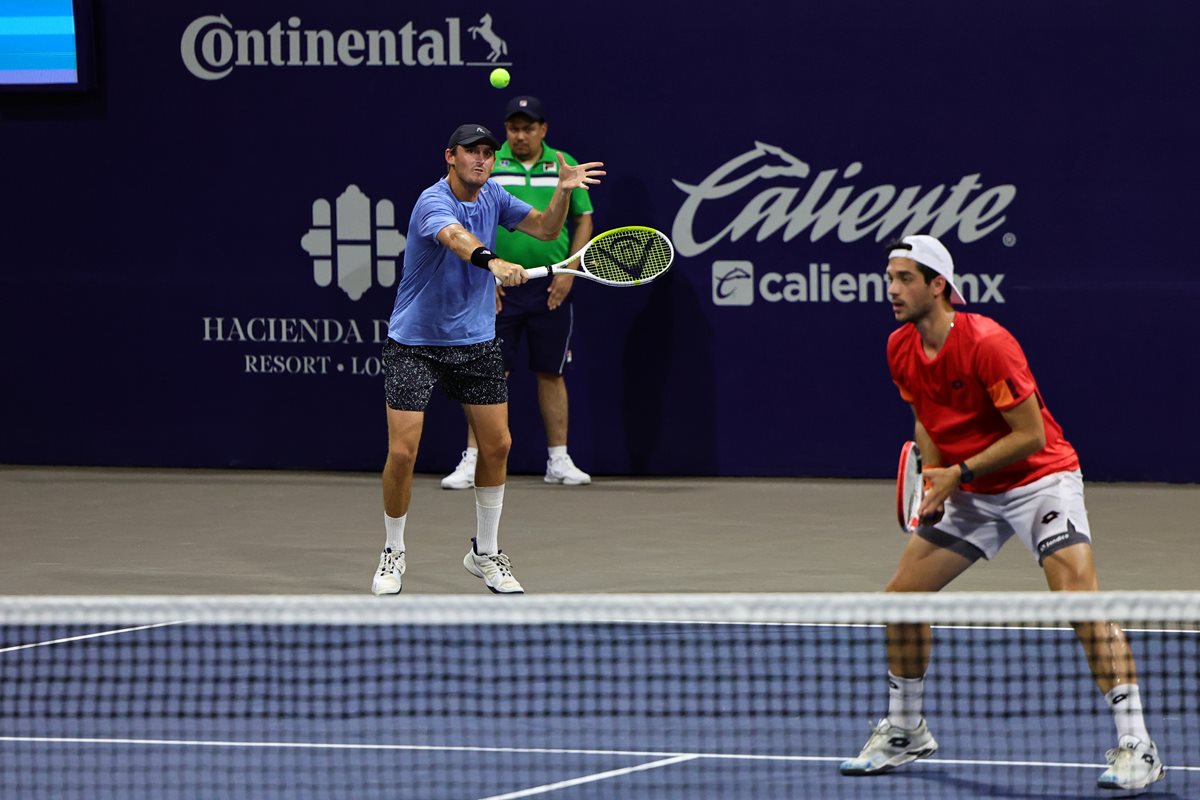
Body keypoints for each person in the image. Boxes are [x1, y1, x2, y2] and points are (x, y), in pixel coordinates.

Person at [839, 235, 1165, 793]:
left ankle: (1139, 745)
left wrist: (958, 474)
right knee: (900, 600)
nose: (891, 289)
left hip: (1039, 481)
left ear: (938, 285)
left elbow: (1030, 434)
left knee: (1080, 602)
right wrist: (936, 479)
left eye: (905, 279)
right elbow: (926, 418)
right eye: (889, 278)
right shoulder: (899, 347)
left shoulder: (988, 343)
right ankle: (906, 729)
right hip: (968, 489)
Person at [371, 123, 603, 596]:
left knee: (497, 446)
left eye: (487, 152)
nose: (481, 159)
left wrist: (562, 193)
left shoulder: (494, 194)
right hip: (415, 342)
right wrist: (494, 262)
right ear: (450, 157)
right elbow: (456, 239)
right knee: (403, 451)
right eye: (471, 151)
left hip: (475, 341)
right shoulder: (432, 201)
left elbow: (547, 229)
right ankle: (392, 550)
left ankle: (485, 552)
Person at [441, 95, 594, 490]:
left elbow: (568, 222)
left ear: (543, 130)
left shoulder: (562, 164)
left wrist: (571, 270)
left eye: (528, 128)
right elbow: (465, 227)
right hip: (497, 286)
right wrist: (486, 274)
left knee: (552, 372)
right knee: (487, 374)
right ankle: (472, 458)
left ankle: (558, 459)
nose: (520, 135)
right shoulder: (487, 165)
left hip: (551, 284)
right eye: (513, 128)